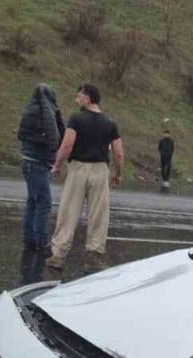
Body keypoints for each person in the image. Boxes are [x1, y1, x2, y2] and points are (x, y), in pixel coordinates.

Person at [48, 83, 124, 272]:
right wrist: (118, 174)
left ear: (88, 98)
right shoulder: (110, 123)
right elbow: (119, 153)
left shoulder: (77, 118)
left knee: (68, 212)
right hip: (100, 171)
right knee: (99, 215)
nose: (77, 100)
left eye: (79, 96)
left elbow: (67, 145)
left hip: (78, 169)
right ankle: (93, 257)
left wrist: (57, 165)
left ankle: (58, 256)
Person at [17, 83, 63, 253]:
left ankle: (29, 239)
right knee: (44, 203)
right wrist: (55, 153)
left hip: (28, 160)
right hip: (39, 162)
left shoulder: (29, 110)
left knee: (32, 201)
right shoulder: (46, 111)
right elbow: (53, 135)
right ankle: (42, 241)